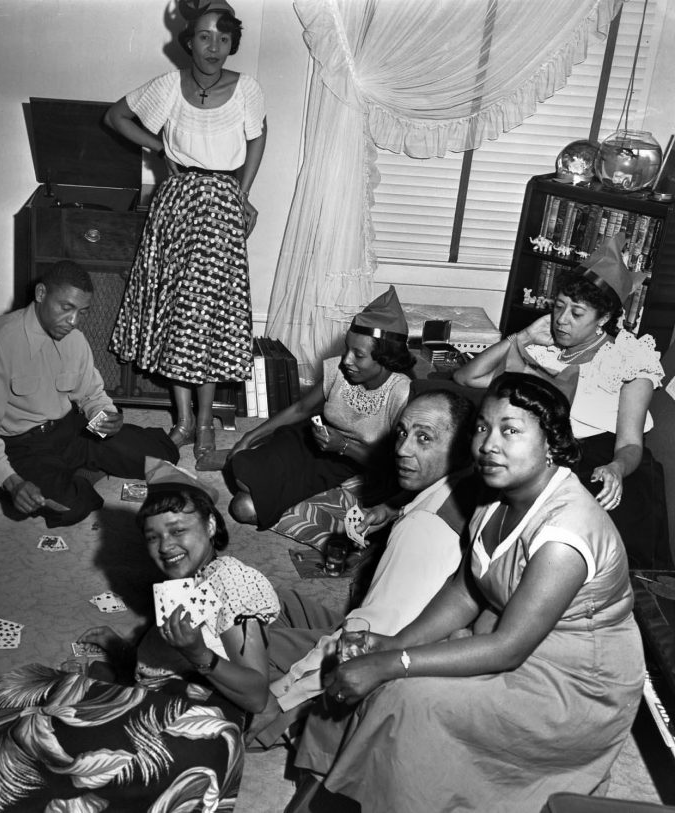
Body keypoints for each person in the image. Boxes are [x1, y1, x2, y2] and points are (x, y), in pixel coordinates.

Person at [290, 373, 644, 813]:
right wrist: (397, 643)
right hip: (510, 637)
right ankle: (351, 795)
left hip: (574, 683)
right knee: (374, 673)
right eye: (482, 427)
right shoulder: (491, 491)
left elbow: (507, 650)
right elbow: (465, 588)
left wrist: (392, 662)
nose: (489, 444)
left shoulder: (565, 533)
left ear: (551, 443)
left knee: (408, 699)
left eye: (510, 431)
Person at [0, 457, 279, 812]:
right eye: (153, 537)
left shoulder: (230, 578)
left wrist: (199, 654)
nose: (165, 546)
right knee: (23, 690)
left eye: (178, 530)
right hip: (160, 703)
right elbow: (162, 663)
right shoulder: (182, 585)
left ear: (211, 524)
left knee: (20, 743)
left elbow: (257, 695)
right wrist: (119, 648)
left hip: (201, 728)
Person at [248, 389, 479, 748]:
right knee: (272, 604)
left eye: (424, 438)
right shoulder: (468, 483)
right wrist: (391, 510)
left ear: (463, 446)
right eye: (402, 433)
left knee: (243, 649)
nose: (403, 449)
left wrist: (284, 694)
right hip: (418, 653)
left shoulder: (424, 530)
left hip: (381, 676)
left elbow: (367, 634)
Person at [107, 0, 266, 458]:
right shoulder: (168, 86)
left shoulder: (248, 88)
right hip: (176, 204)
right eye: (203, 36)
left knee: (209, 317)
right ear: (188, 42)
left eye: (222, 37)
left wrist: (242, 191)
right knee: (178, 313)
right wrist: (160, 148)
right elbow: (116, 116)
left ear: (233, 41)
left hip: (219, 206)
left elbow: (258, 137)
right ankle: (182, 421)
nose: (213, 46)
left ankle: (206, 425)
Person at [454, 236, 666, 567]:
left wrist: (616, 468)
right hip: (536, 452)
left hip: (600, 463)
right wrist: (521, 337)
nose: (562, 320)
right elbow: (468, 378)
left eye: (577, 312)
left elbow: (630, 443)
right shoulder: (545, 346)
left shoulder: (629, 359)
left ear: (603, 316)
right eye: (559, 306)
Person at [0, 260, 179, 527]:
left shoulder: (75, 339)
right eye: (66, 308)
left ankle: (75, 469)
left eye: (82, 312)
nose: (74, 321)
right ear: (41, 294)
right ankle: (69, 476)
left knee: (164, 455)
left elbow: (91, 395)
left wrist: (107, 418)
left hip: (71, 431)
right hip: (22, 446)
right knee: (67, 508)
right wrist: (12, 481)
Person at [226, 287, 414, 530]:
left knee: (243, 508)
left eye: (358, 354)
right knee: (241, 472)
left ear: (385, 358)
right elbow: (302, 408)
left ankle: (287, 495)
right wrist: (249, 436)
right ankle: (273, 484)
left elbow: (395, 464)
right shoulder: (338, 368)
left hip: (349, 462)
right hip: (309, 438)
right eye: (347, 348)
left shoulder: (401, 393)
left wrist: (344, 447)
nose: (346, 360)